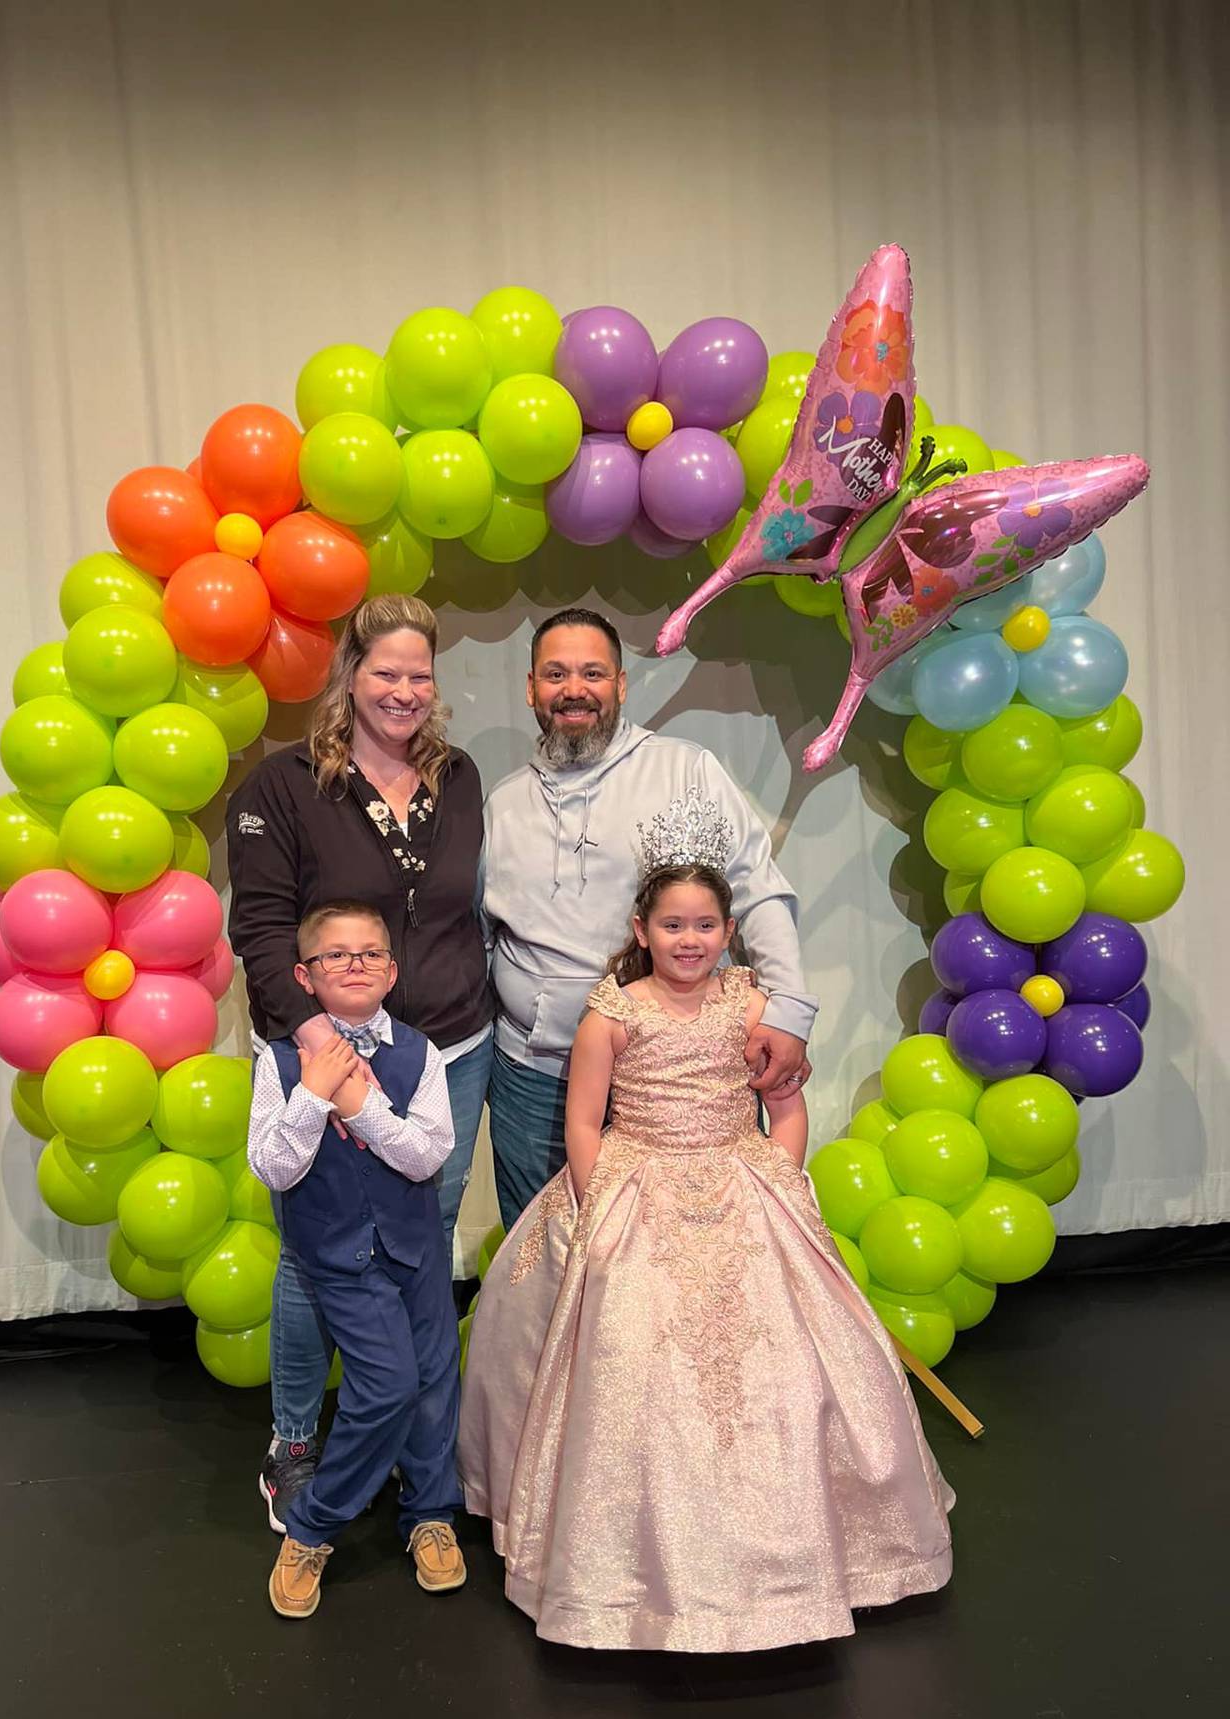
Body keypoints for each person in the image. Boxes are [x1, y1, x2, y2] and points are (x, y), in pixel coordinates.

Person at [458, 801, 953, 1653]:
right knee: (633, 1355)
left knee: (778, 1362)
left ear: (729, 930)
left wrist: (781, 1173)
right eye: (673, 924)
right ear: (642, 929)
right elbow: (584, 1119)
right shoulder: (614, 1010)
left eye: (707, 925)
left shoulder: (749, 1004)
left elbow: (786, 1103)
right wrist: (595, 1190)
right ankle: (624, 1566)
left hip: (737, 1178)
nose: (690, 940)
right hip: (636, 1178)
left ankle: (797, 1554)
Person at [227, 595, 492, 1532]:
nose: (405, 691)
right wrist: (315, 1044)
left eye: (421, 674)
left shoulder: (455, 778)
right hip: (322, 1052)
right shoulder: (284, 787)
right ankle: (296, 1443)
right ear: (349, 676)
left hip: (448, 1050)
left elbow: (467, 913)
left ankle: (414, 1455)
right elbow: (259, 931)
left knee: (421, 1252)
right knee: (315, 1257)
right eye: (386, 672)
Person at [482, 607, 817, 1231]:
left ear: (621, 685)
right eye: (555, 674)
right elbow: (481, 936)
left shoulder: (684, 770)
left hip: (673, 1082)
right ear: (530, 688)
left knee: (671, 1266)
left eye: (592, 673)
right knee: (547, 1251)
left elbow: (756, 890)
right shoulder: (502, 803)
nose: (573, 689)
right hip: (532, 1078)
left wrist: (789, 1011)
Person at [248, 901, 467, 1620]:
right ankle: (312, 1528)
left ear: (392, 970)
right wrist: (315, 1095)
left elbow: (427, 1152)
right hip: (341, 1258)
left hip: (417, 1252)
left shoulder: (420, 1053)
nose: (355, 964)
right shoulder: (280, 1062)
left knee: (435, 1383)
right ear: (305, 976)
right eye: (337, 955)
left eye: (370, 953)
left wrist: (362, 1106)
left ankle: (431, 1513)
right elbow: (274, 1169)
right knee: (388, 1386)